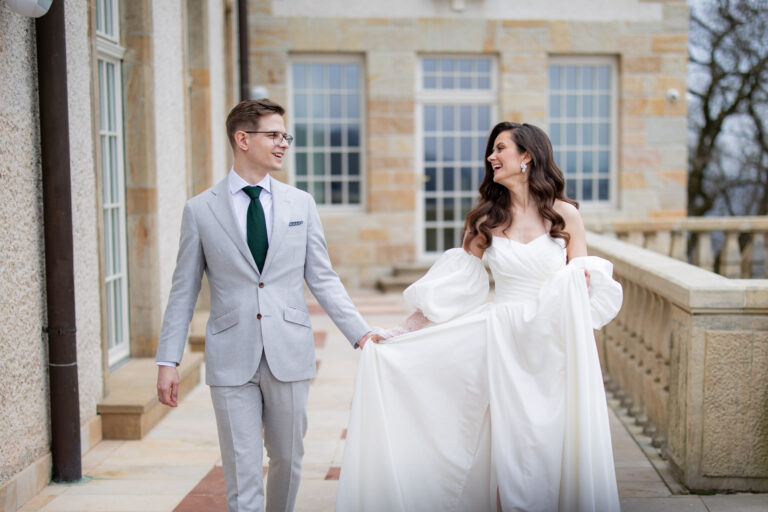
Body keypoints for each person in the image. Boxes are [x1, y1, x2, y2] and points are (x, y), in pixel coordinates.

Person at [336, 122, 623, 512]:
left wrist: (584, 339)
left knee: (549, 446)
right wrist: (399, 332)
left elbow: (583, 289)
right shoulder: (485, 220)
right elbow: (453, 288)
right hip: (501, 342)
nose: (491, 157)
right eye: (492, 149)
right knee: (507, 450)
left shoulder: (565, 215)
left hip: (551, 346)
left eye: (500, 148)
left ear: (527, 156)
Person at [156, 98, 373, 512]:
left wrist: (361, 333)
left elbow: (323, 277)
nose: (283, 143)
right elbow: (183, 290)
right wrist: (168, 359)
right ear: (243, 139)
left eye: (284, 135)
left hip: (288, 351)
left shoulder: (300, 204)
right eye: (273, 135)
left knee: (288, 460)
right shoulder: (200, 210)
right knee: (242, 468)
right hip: (230, 355)